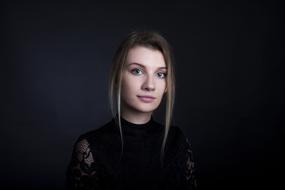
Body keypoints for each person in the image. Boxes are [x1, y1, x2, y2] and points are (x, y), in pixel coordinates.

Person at [65, 30, 197, 190]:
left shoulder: (178, 142)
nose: (150, 85)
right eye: (137, 71)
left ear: (167, 85)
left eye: (160, 74)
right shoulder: (90, 148)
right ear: (117, 78)